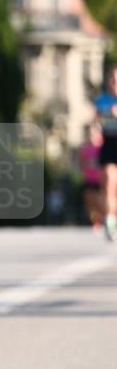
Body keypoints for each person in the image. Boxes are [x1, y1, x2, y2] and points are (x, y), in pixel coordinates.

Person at [94, 65, 117, 241]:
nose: (114, 82)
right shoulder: (102, 100)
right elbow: (95, 122)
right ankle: (110, 221)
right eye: (112, 79)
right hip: (109, 143)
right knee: (109, 183)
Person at [77, 122, 104, 232]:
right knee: (90, 202)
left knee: (100, 201)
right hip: (89, 179)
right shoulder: (85, 147)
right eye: (90, 132)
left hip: (102, 179)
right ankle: (96, 222)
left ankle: (104, 219)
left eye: (94, 131)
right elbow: (81, 162)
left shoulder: (103, 146)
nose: (92, 134)